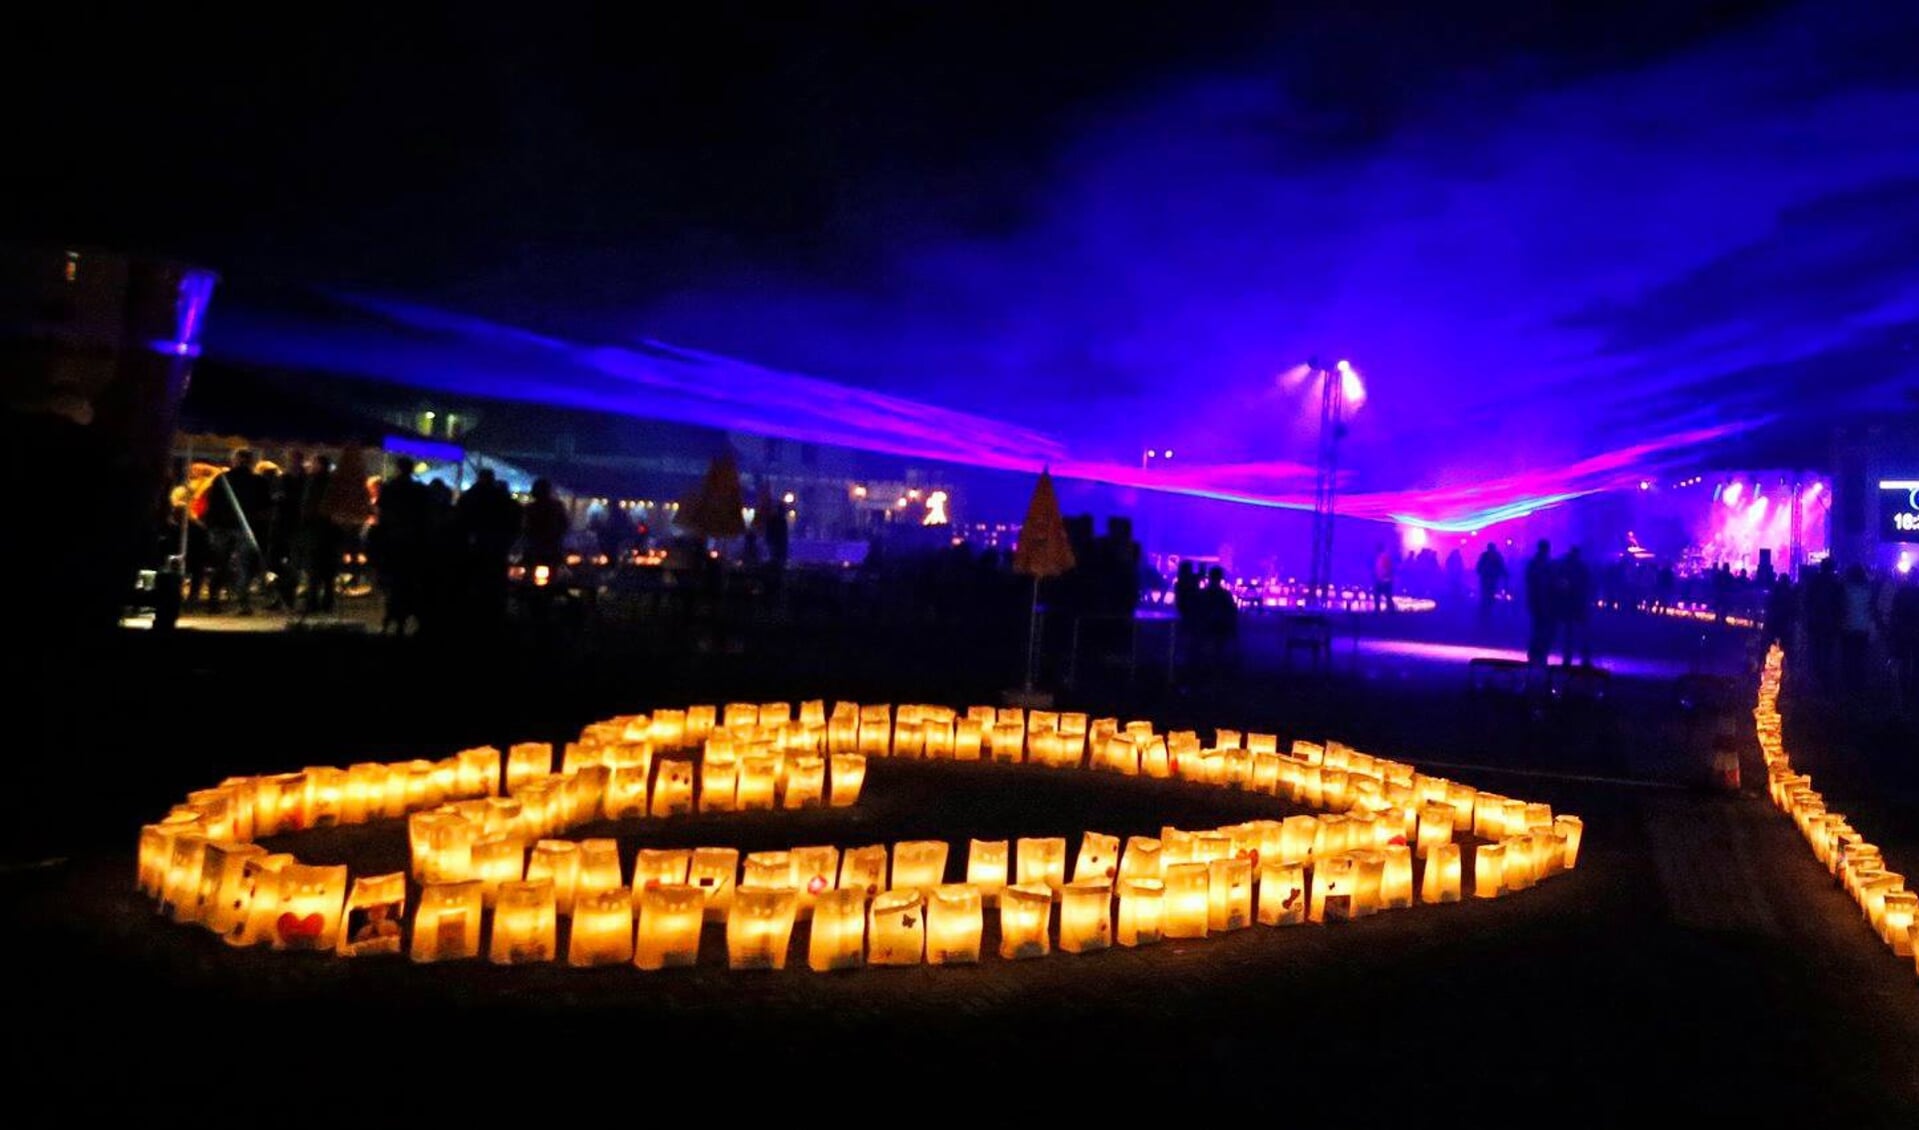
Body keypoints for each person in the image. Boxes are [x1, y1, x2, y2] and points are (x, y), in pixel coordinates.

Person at [203, 449, 269, 614]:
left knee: (222, 564)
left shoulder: (223, 479)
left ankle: (214, 600)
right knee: (243, 566)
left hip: (224, 526)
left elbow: (212, 503)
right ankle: (241, 602)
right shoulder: (257, 481)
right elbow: (264, 506)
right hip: (243, 527)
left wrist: (211, 523)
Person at [1556, 546, 1594, 667]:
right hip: (1577, 603)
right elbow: (1588, 584)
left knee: (1571, 633)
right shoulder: (1580, 568)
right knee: (1580, 632)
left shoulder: (1567, 568)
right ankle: (1582, 658)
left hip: (1572, 604)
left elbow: (1561, 585)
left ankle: (1569, 658)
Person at [1839, 563, 1874, 693]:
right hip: (1863, 626)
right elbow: (1871, 608)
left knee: (1847, 656)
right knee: (1860, 656)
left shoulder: (1846, 589)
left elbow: (1842, 607)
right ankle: (1859, 682)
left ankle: (1848, 682)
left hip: (1848, 626)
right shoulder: (1867, 590)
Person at [522, 478, 568, 569]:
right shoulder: (557, 506)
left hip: (536, 547)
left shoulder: (530, 508)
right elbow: (564, 525)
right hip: (552, 547)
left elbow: (525, 527)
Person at [1524, 539, 1555, 669]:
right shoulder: (1543, 564)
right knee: (1542, 628)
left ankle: (1536, 654)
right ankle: (1538, 654)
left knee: (1539, 628)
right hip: (1541, 601)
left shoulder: (1536, 563)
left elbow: (1529, 581)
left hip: (1538, 601)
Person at [1475, 543, 1506, 624]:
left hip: (1489, 580)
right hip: (1489, 580)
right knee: (1489, 597)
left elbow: (1479, 568)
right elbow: (1501, 567)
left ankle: (1486, 615)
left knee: (1488, 597)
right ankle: (1487, 615)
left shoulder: (1488, 556)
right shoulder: (1493, 556)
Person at [1371, 543, 1397, 613]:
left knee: (1386, 595)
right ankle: (1380, 610)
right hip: (1381, 580)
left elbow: (1388, 568)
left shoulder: (1384, 557)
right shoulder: (1380, 557)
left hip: (1385, 580)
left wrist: (1386, 577)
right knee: (1380, 595)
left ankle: (1389, 610)